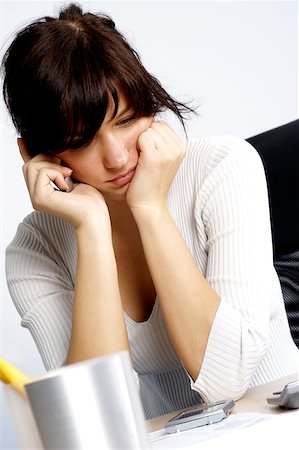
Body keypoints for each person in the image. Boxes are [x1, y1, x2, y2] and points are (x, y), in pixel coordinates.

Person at [2, 3, 298, 419]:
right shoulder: (35, 250)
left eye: (125, 121)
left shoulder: (223, 168)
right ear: (35, 153)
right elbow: (98, 420)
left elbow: (227, 379)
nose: (118, 158)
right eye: (82, 139)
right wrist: (92, 229)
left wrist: (150, 208)